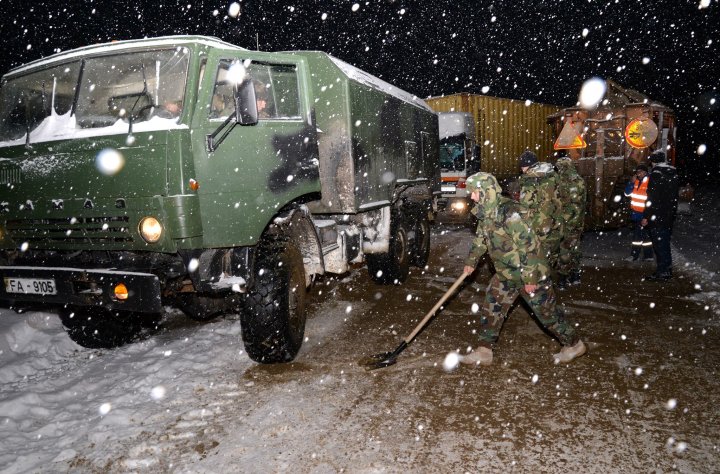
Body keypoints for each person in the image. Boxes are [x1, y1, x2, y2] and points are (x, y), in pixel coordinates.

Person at [461, 172, 587, 366]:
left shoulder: (511, 213)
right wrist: (471, 261)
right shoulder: (486, 213)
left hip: (529, 272)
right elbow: (480, 240)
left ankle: (574, 344)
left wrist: (529, 279)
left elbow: (529, 246)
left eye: (474, 193)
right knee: (492, 308)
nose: (471, 197)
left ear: (486, 192)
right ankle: (484, 350)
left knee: (547, 315)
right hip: (506, 273)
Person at [517, 150, 563, 270]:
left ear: (528, 165)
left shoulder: (529, 181)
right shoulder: (552, 175)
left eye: (523, 166)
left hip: (538, 225)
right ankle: (551, 277)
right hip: (554, 221)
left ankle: (541, 282)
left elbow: (525, 207)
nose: (522, 169)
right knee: (552, 254)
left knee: (538, 259)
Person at [642, 151, 679, 281]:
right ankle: (666, 270)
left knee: (659, 245)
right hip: (668, 216)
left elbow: (652, 198)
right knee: (665, 244)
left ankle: (662, 272)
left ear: (654, 161)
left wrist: (646, 215)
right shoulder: (673, 174)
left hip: (656, 216)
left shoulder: (656, 175)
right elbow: (674, 198)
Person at [555, 156, 587, 288]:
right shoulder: (580, 180)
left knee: (564, 250)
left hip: (566, 222)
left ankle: (563, 279)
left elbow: (560, 202)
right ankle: (576, 275)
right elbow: (583, 202)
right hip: (578, 221)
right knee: (575, 248)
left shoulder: (561, 181)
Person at [623, 163, 653, 262]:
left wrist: (647, 215)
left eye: (640, 172)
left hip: (645, 213)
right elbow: (627, 193)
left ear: (645, 172)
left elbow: (651, 199)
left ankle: (635, 256)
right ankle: (648, 256)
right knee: (643, 236)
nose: (638, 173)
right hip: (636, 213)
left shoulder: (650, 181)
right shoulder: (635, 182)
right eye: (637, 172)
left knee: (639, 236)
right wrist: (631, 183)